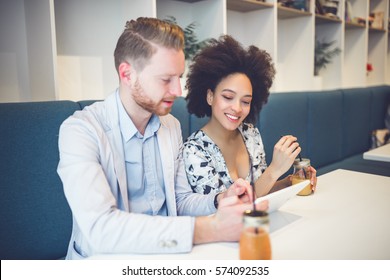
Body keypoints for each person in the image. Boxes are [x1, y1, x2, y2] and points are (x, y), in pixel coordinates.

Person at [57, 17, 267, 260]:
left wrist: (220, 199)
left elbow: (181, 200)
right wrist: (212, 228)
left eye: (179, 77)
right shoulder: (80, 130)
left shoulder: (171, 126)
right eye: (166, 79)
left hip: (168, 257)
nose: (178, 91)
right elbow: (100, 228)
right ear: (127, 74)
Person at [183, 35, 317, 202]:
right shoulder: (195, 151)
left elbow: (260, 190)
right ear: (210, 96)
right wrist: (275, 169)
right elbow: (225, 208)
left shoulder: (250, 134)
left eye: (245, 101)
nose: (237, 108)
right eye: (228, 97)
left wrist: (291, 181)